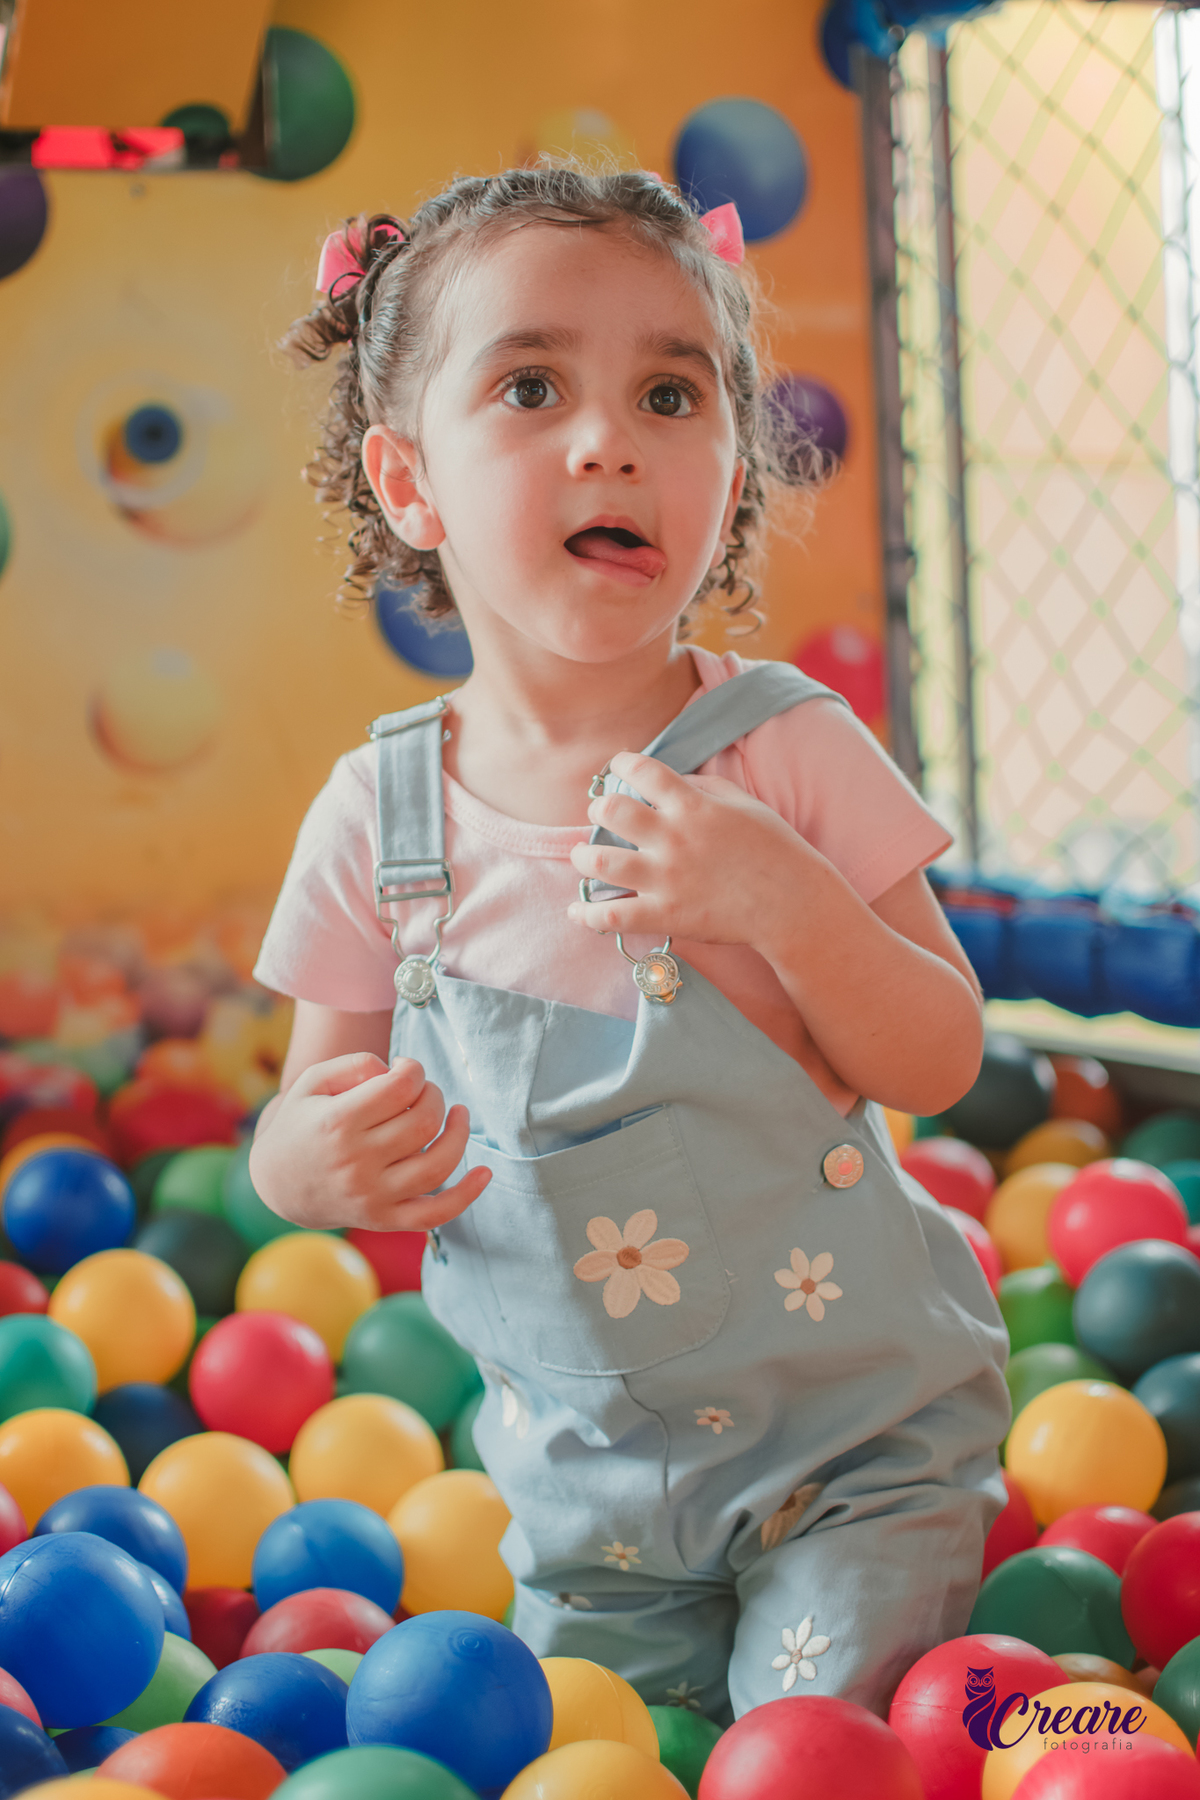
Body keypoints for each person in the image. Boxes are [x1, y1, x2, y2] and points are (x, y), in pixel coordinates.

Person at [250, 166, 1009, 1725]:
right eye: (532, 386)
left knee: (800, 1746)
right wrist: (308, 1169)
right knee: (587, 1756)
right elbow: (298, 1116)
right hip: (590, 1507)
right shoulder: (377, 819)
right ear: (411, 484)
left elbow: (938, 1054)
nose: (610, 437)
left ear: (729, 468)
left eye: (673, 392)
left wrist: (783, 898)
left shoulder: (783, 751)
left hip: (855, 1454)